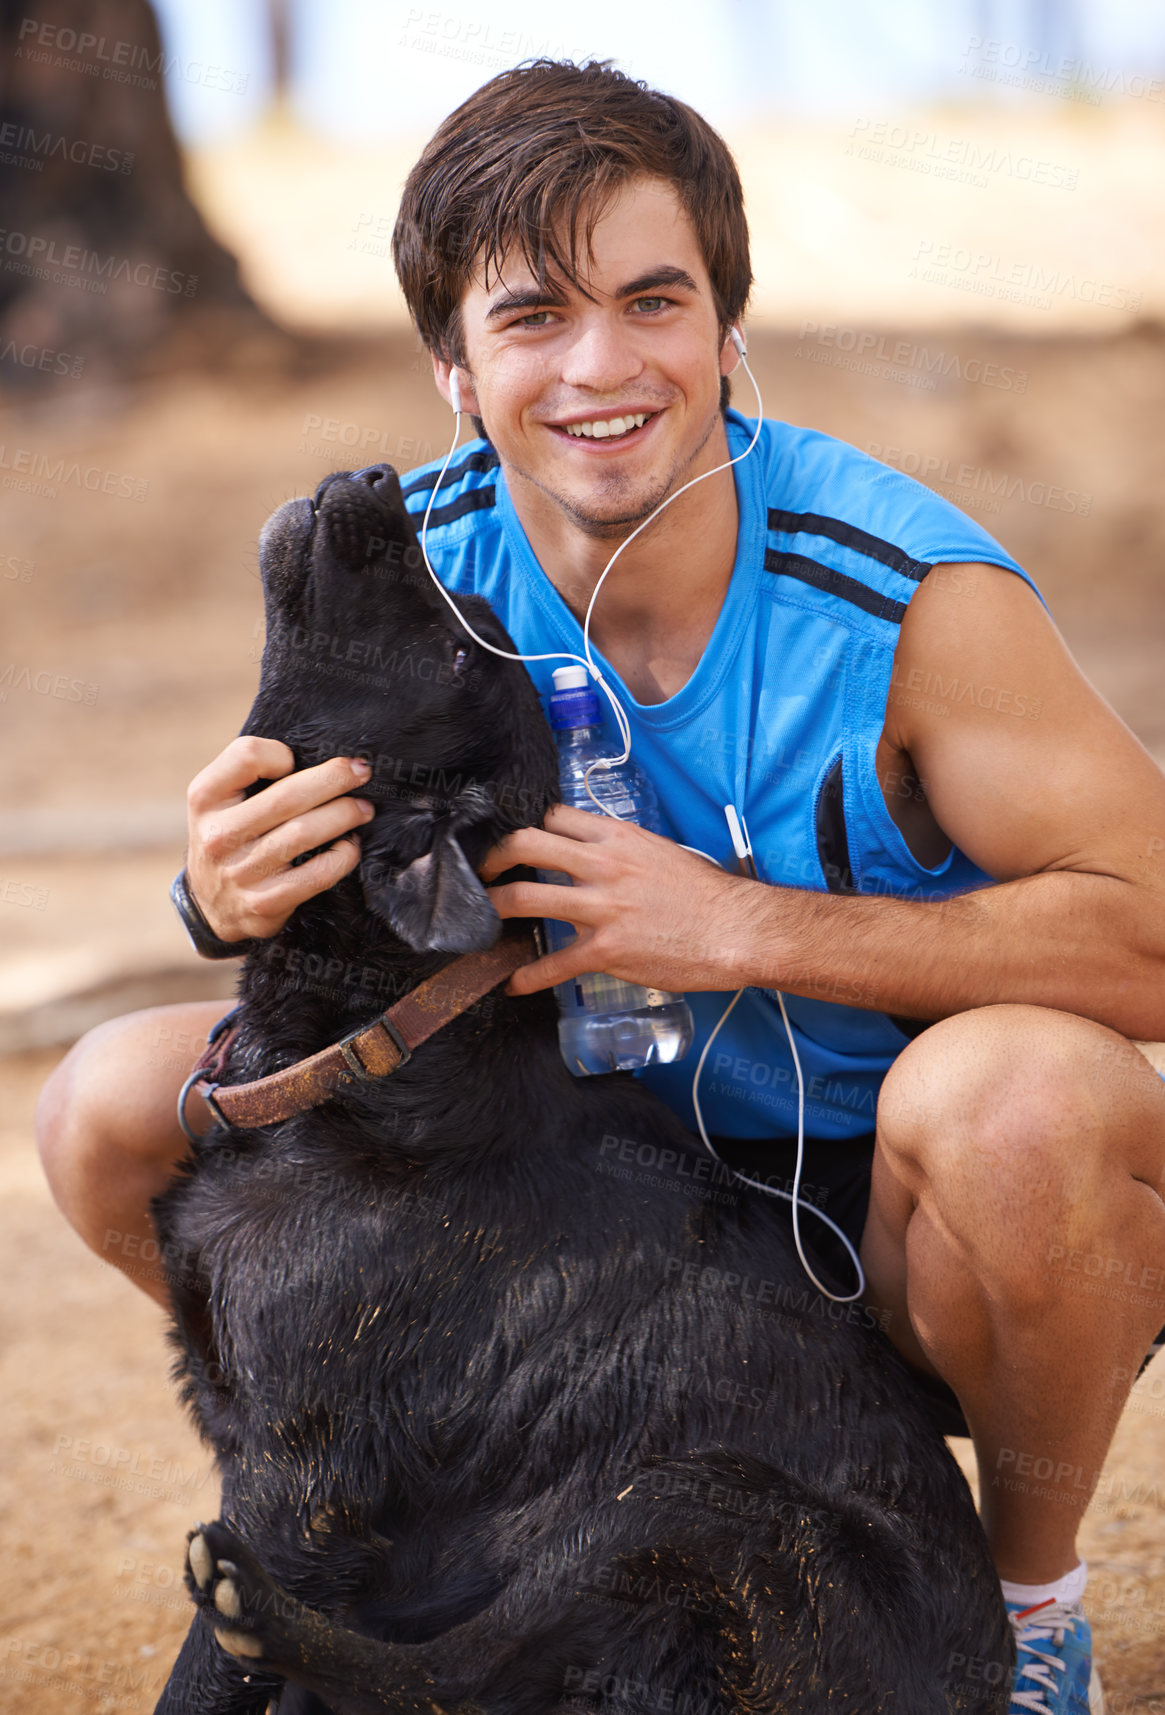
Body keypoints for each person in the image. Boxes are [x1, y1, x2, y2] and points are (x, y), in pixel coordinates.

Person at [36, 59, 1165, 1715]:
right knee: (117, 1104)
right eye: (533, 317)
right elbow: (320, 906)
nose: (600, 366)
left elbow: (1151, 933)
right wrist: (227, 892)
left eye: (654, 300)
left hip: (897, 1234)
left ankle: (1020, 1611)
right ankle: (483, 1515)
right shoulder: (411, 560)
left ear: (726, 328)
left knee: (1025, 1107)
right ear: (453, 366)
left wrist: (741, 925)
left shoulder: (900, 594)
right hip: (568, 1236)